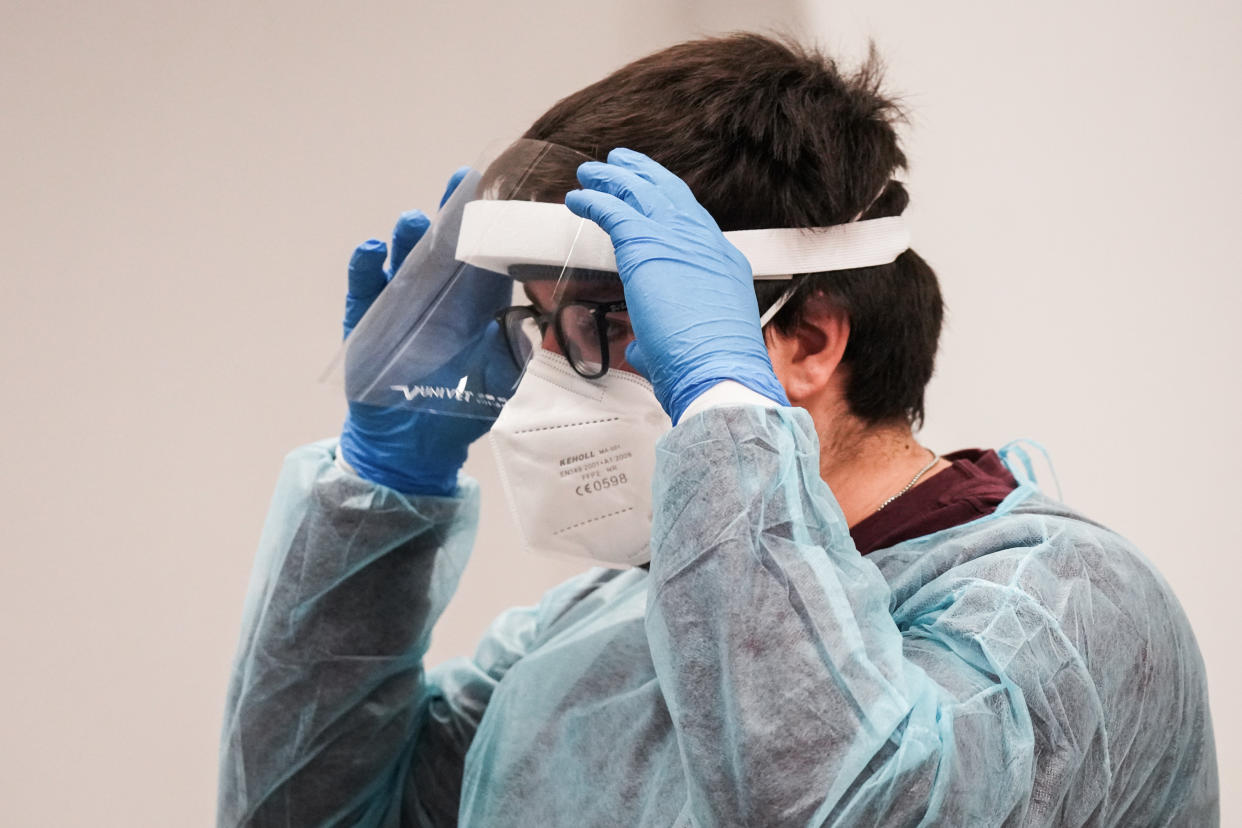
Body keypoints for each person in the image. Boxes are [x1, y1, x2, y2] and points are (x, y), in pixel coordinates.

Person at [217, 34, 1218, 827]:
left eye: (608, 324)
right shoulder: (585, 635)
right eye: (542, 328)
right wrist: (389, 478)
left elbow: (837, 807)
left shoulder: (1067, 616)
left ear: (809, 340)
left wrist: (727, 414)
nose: (559, 377)